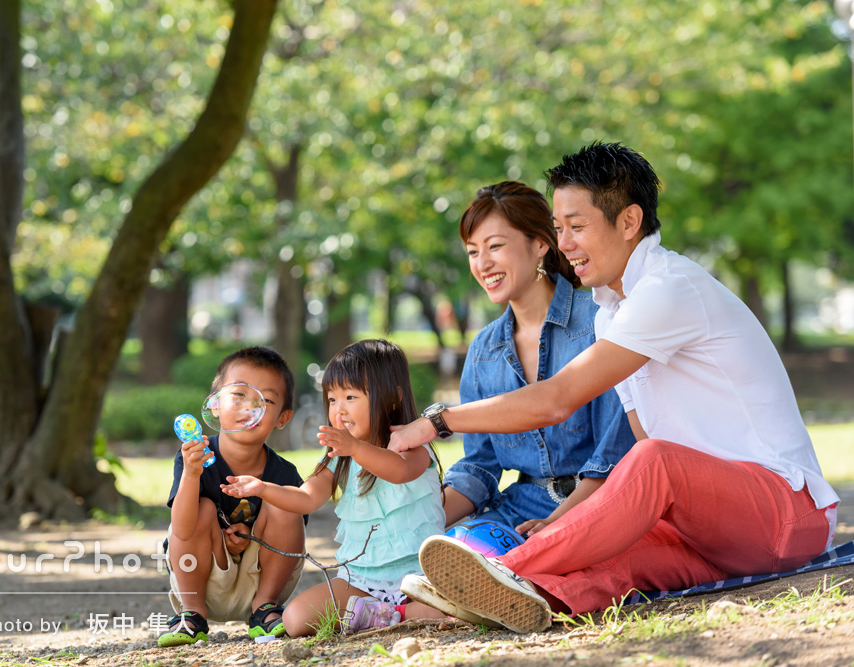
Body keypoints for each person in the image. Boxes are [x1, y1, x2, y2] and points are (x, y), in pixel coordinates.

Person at [390, 142, 840, 634]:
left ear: (629, 222)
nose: (565, 244)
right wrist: (575, 522)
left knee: (655, 461)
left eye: (577, 227)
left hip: (785, 516)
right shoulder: (610, 315)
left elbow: (559, 401)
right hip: (704, 532)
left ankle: (508, 569)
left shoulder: (671, 289)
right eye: (559, 229)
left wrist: (439, 420)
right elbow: (639, 442)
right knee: (608, 565)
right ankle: (509, 597)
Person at [399, 181, 637, 625]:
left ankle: (511, 586)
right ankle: (500, 587)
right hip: (521, 510)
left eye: (494, 246)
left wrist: (556, 527)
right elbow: (479, 468)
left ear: (541, 245)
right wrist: (421, 526)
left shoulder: (600, 322)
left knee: (550, 560)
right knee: (444, 552)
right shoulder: (484, 350)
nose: (482, 263)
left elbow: (613, 456)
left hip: (597, 504)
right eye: (473, 252)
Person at [221, 339, 447, 636]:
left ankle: (400, 613)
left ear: (392, 399)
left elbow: (400, 471)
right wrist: (262, 488)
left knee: (447, 608)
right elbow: (306, 498)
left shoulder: (412, 445)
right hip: (361, 582)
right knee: (295, 618)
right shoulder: (338, 458)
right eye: (331, 399)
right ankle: (386, 615)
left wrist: (354, 448)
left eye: (350, 397)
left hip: (419, 577)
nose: (339, 410)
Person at [159, 346, 306, 647]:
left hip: (263, 583)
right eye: (238, 395)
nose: (248, 407)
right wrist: (191, 474)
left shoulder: (284, 474)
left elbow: (292, 538)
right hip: (202, 577)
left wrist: (252, 537)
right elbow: (183, 529)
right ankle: (192, 615)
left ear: (282, 417)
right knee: (200, 507)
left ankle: (265, 610)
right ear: (214, 405)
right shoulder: (193, 458)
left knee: (286, 502)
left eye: (264, 401)